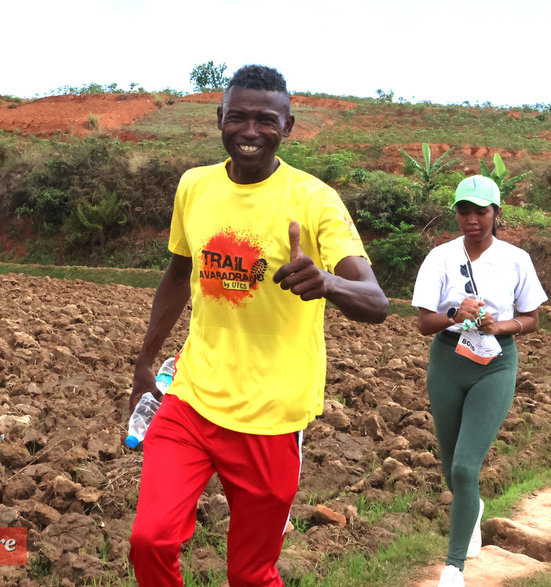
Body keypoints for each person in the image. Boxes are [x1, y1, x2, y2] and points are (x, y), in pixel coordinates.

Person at [127, 65, 389, 587]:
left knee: (250, 574)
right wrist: (145, 358)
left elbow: (377, 301)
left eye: (266, 120)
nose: (251, 131)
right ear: (218, 118)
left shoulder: (315, 200)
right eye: (238, 117)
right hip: (192, 397)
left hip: (271, 416)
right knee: (149, 539)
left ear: (287, 127)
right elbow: (179, 275)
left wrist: (328, 283)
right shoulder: (194, 187)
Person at [412, 175, 547, 587]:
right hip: (449, 361)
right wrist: (455, 314)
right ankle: (471, 511)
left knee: (467, 468)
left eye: (481, 211)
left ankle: (453, 567)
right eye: (464, 210)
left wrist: (499, 326)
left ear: (496, 214)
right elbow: (422, 323)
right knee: (452, 468)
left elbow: (533, 318)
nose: (472, 219)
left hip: (496, 364)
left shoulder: (516, 259)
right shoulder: (440, 257)